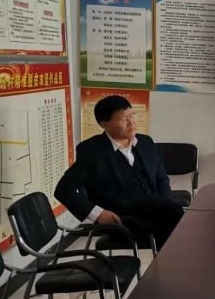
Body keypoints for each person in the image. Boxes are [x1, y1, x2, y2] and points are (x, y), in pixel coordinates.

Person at [55, 95, 183, 248]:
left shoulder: (145, 142)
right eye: (123, 119)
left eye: (132, 115)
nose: (132, 122)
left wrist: (166, 202)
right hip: (122, 217)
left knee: (182, 221)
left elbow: (161, 178)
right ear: (105, 124)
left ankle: (172, 258)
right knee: (178, 227)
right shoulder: (92, 151)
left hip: (156, 209)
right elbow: (63, 190)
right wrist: (97, 213)